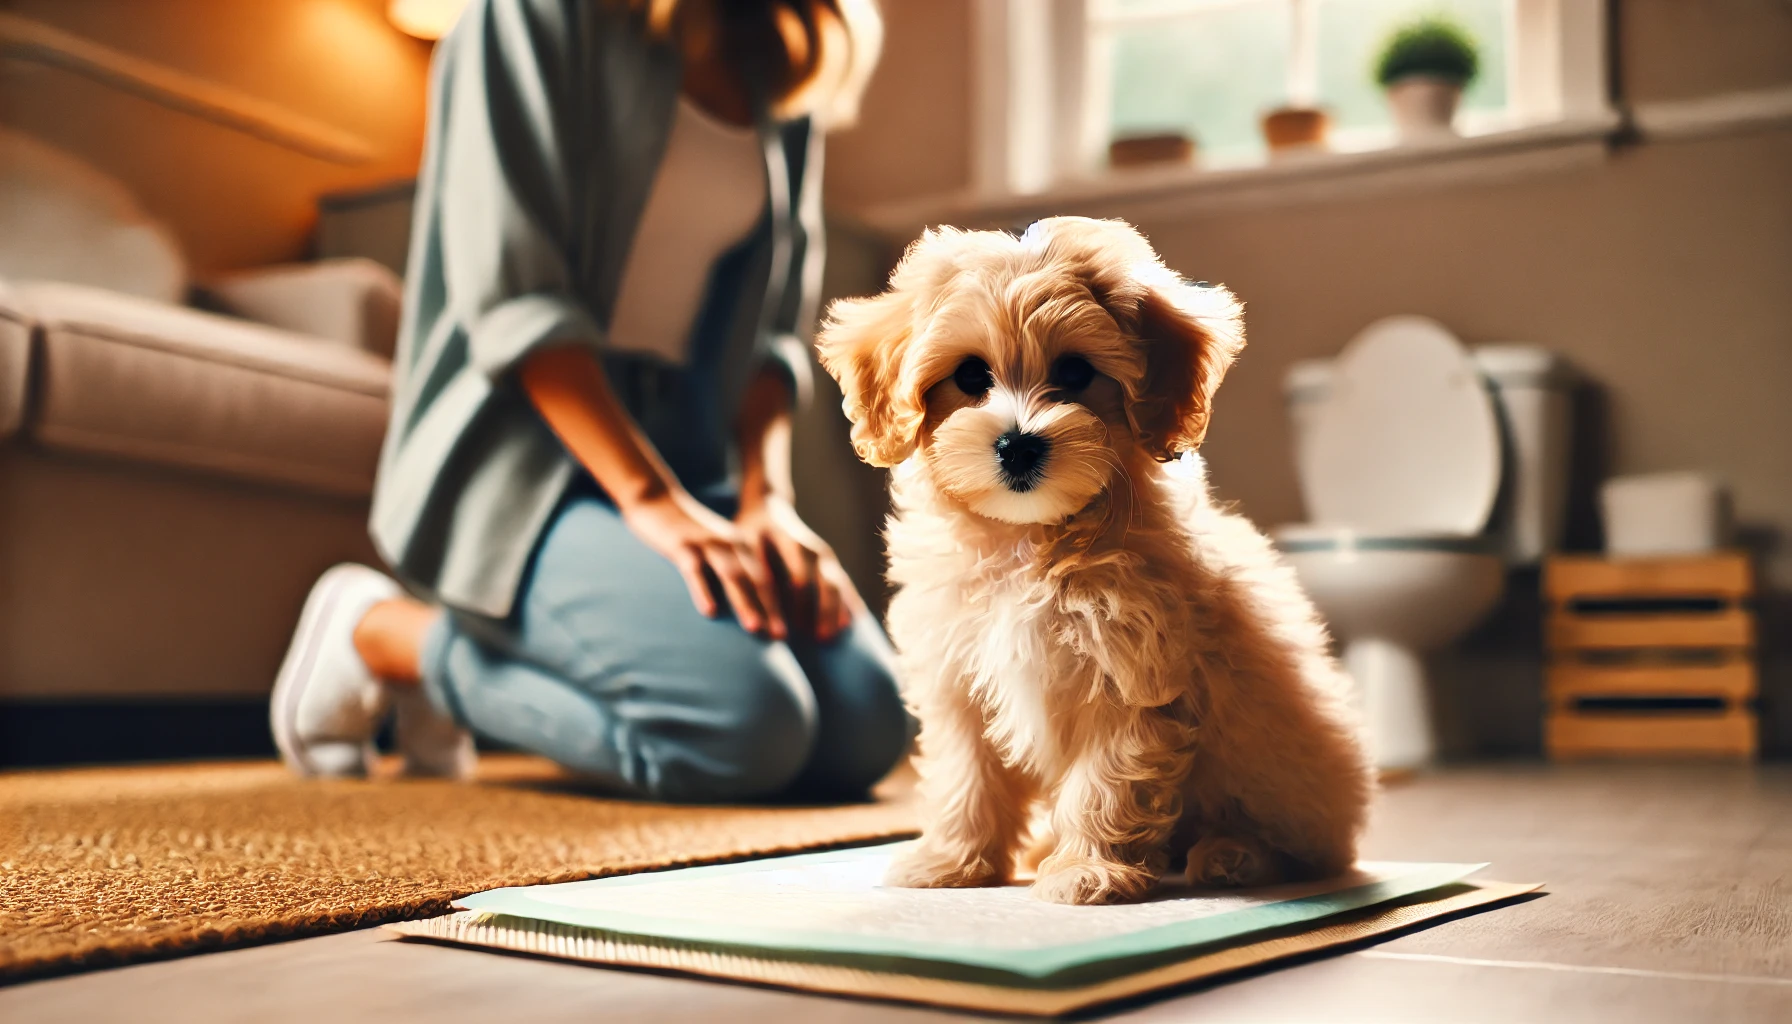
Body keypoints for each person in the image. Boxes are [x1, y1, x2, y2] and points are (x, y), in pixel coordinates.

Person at [269, 0, 909, 802]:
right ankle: (386, 638)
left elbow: (772, 336)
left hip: (689, 450)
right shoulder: (533, 19)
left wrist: (766, 500)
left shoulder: (775, 56)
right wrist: (651, 502)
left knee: (868, 728)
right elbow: (519, 302)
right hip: (522, 452)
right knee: (744, 734)